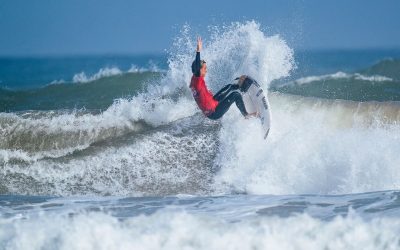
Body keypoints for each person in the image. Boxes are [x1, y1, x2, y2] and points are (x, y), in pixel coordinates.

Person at [189, 37, 256, 120]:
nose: (206, 70)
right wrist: (198, 51)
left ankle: (241, 87)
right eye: (204, 68)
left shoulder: (194, 80)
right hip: (214, 112)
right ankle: (246, 115)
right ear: (199, 69)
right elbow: (197, 68)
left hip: (213, 102)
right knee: (235, 95)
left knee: (229, 86)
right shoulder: (197, 80)